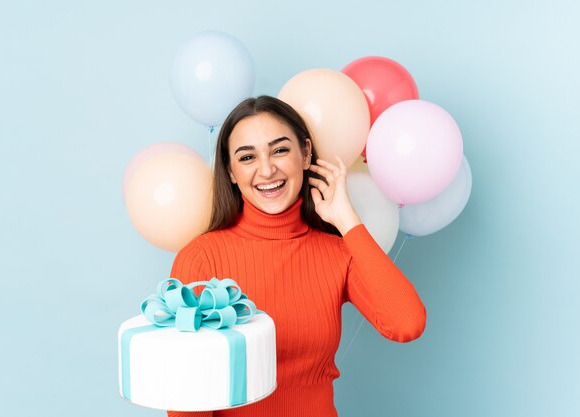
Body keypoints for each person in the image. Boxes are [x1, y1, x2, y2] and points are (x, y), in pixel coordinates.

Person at [166, 95, 426, 417]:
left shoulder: (337, 253)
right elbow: (188, 394)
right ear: (231, 172)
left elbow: (407, 322)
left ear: (305, 154)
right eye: (247, 157)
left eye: (279, 150)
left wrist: (347, 220)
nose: (266, 169)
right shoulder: (202, 257)